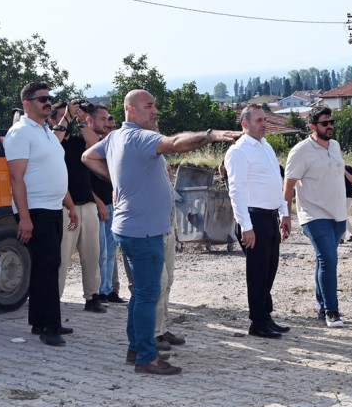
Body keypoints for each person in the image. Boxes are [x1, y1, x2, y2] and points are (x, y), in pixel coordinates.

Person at [83, 89, 240, 375]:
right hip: (144, 231)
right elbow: (177, 143)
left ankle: (136, 348)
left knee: (140, 293)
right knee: (147, 294)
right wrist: (209, 134)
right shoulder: (140, 137)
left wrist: (118, 181)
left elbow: (88, 157)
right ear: (131, 110)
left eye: (155, 105)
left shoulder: (115, 137)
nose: (155, 111)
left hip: (130, 227)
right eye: (148, 106)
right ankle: (146, 358)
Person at [5, 83, 78, 346]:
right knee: (47, 268)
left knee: (45, 267)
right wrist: (24, 217)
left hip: (52, 208)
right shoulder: (20, 133)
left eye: (49, 99)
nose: (48, 103)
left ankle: (40, 321)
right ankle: (50, 327)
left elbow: (56, 171)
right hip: (35, 210)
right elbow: (16, 178)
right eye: (42, 99)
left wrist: (69, 205)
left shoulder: (45, 131)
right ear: (27, 104)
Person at [284, 106, 352, 327]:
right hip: (313, 215)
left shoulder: (335, 146)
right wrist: (285, 216)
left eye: (331, 122)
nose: (330, 126)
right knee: (328, 260)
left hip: (338, 215)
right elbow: (288, 186)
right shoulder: (300, 151)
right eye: (325, 123)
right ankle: (332, 312)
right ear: (312, 126)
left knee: (323, 260)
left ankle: (321, 307)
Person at [224, 104, 292, 339]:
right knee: (257, 272)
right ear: (245, 124)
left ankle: (266, 316)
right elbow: (236, 191)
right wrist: (246, 226)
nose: (264, 124)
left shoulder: (266, 146)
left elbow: (277, 181)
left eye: (265, 119)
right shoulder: (239, 151)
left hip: (270, 217)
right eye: (259, 120)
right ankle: (257, 322)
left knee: (269, 270)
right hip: (253, 219)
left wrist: (284, 212)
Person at [57, 100, 107, 314]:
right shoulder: (53, 140)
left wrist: (81, 121)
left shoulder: (79, 140)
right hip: (64, 208)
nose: (67, 118)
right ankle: (54, 299)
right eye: (61, 115)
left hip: (86, 205)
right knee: (61, 257)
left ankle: (92, 296)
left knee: (92, 255)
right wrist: (65, 118)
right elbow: (53, 143)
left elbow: (96, 146)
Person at [86, 105, 126, 306]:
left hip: (112, 204)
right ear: (91, 121)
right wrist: (99, 203)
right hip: (99, 206)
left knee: (110, 251)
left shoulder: (109, 145)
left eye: (111, 124)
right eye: (103, 121)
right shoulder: (89, 147)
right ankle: (100, 292)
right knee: (100, 252)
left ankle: (109, 290)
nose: (108, 126)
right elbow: (86, 181)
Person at [340, 163, 352, 242]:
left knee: (343, 215)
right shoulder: (333, 169)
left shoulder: (348, 168)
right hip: (337, 196)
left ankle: (341, 238)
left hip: (347, 195)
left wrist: (344, 171)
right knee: (342, 216)